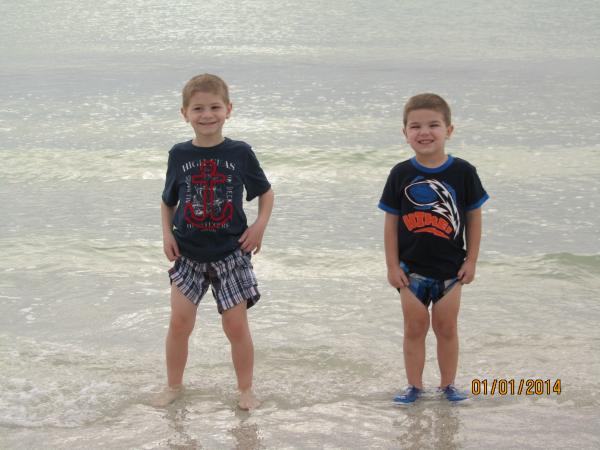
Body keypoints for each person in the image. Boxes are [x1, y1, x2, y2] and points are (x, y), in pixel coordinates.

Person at [155, 74, 274, 410]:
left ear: (228, 110)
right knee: (179, 323)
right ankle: (174, 386)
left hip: (230, 253)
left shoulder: (239, 153)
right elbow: (168, 200)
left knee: (235, 326)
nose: (207, 114)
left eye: (214, 107)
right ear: (184, 113)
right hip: (188, 253)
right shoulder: (178, 155)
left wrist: (259, 226)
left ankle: (245, 390)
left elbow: (265, 193)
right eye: (198, 108)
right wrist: (166, 233)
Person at [378, 93, 488, 404]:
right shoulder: (400, 173)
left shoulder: (463, 172)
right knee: (414, 329)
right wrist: (391, 265)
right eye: (415, 126)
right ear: (405, 133)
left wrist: (472, 260)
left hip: (451, 271)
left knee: (446, 328)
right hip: (411, 271)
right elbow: (390, 223)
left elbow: (474, 218)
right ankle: (414, 386)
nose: (424, 132)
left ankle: (448, 386)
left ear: (449, 130)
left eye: (433, 125)